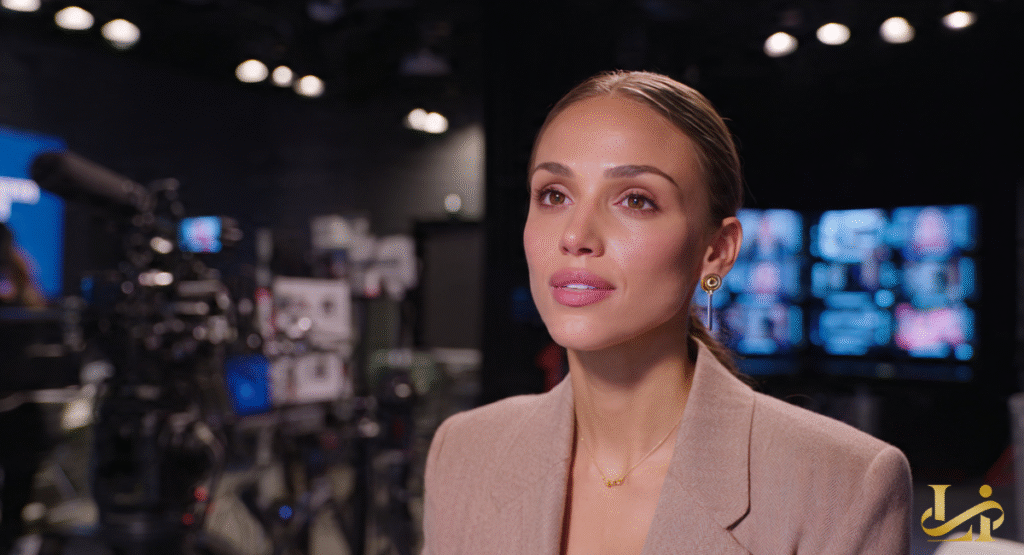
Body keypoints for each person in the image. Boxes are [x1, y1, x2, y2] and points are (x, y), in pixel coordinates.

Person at [420, 71, 911, 554]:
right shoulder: (465, 453)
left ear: (716, 251)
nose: (575, 235)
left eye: (636, 200)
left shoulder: (841, 484)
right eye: (554, 195)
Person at [0, 222, 50, 555]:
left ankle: (10, 539)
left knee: (20, 476)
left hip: (17, 403)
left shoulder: (20, 278)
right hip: (15, 402)